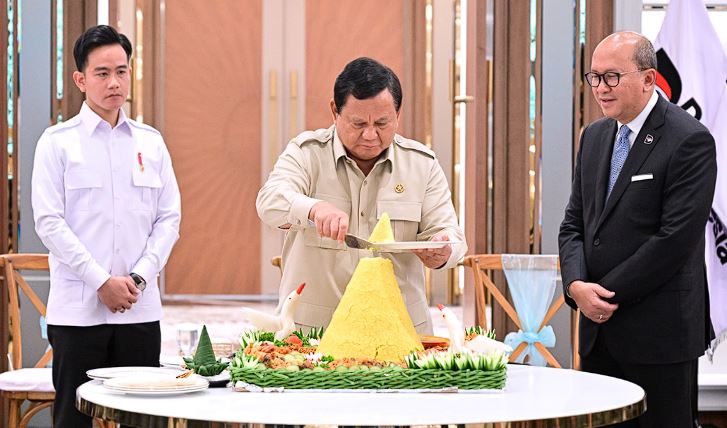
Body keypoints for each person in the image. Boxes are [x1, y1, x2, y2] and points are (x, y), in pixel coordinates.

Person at [559, 32, 716, 427]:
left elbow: (674, 240)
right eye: (594, 77)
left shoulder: (689, 139)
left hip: (659, 336)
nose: (600, 88)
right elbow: (574, 223)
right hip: (597, 334)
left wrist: (603, 294)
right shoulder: (594, 136)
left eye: (612, 76)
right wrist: (575, 286)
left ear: (648, 79)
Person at [31, 25, 181, 427]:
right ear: (81, 80)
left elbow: (169, 218)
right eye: (102, 73)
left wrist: (138, 278)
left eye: (121, 71)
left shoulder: (151, 142)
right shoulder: (57, 143)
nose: (114, 82)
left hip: (139, 310)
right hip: (78, 314)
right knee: (73, 419)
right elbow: (49, 222)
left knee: (142, 419)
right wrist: (101, 281)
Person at [257, 57, 467, 334]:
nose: (370, 135)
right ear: (335, 111)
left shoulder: (422, 164)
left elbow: (451, 236)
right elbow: (269, 201)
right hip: (316, 335)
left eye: (382, 123)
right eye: (358, 123)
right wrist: (314, 209)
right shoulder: (306, 153)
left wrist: (442, 251)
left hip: (399, 333)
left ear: (398, 114)